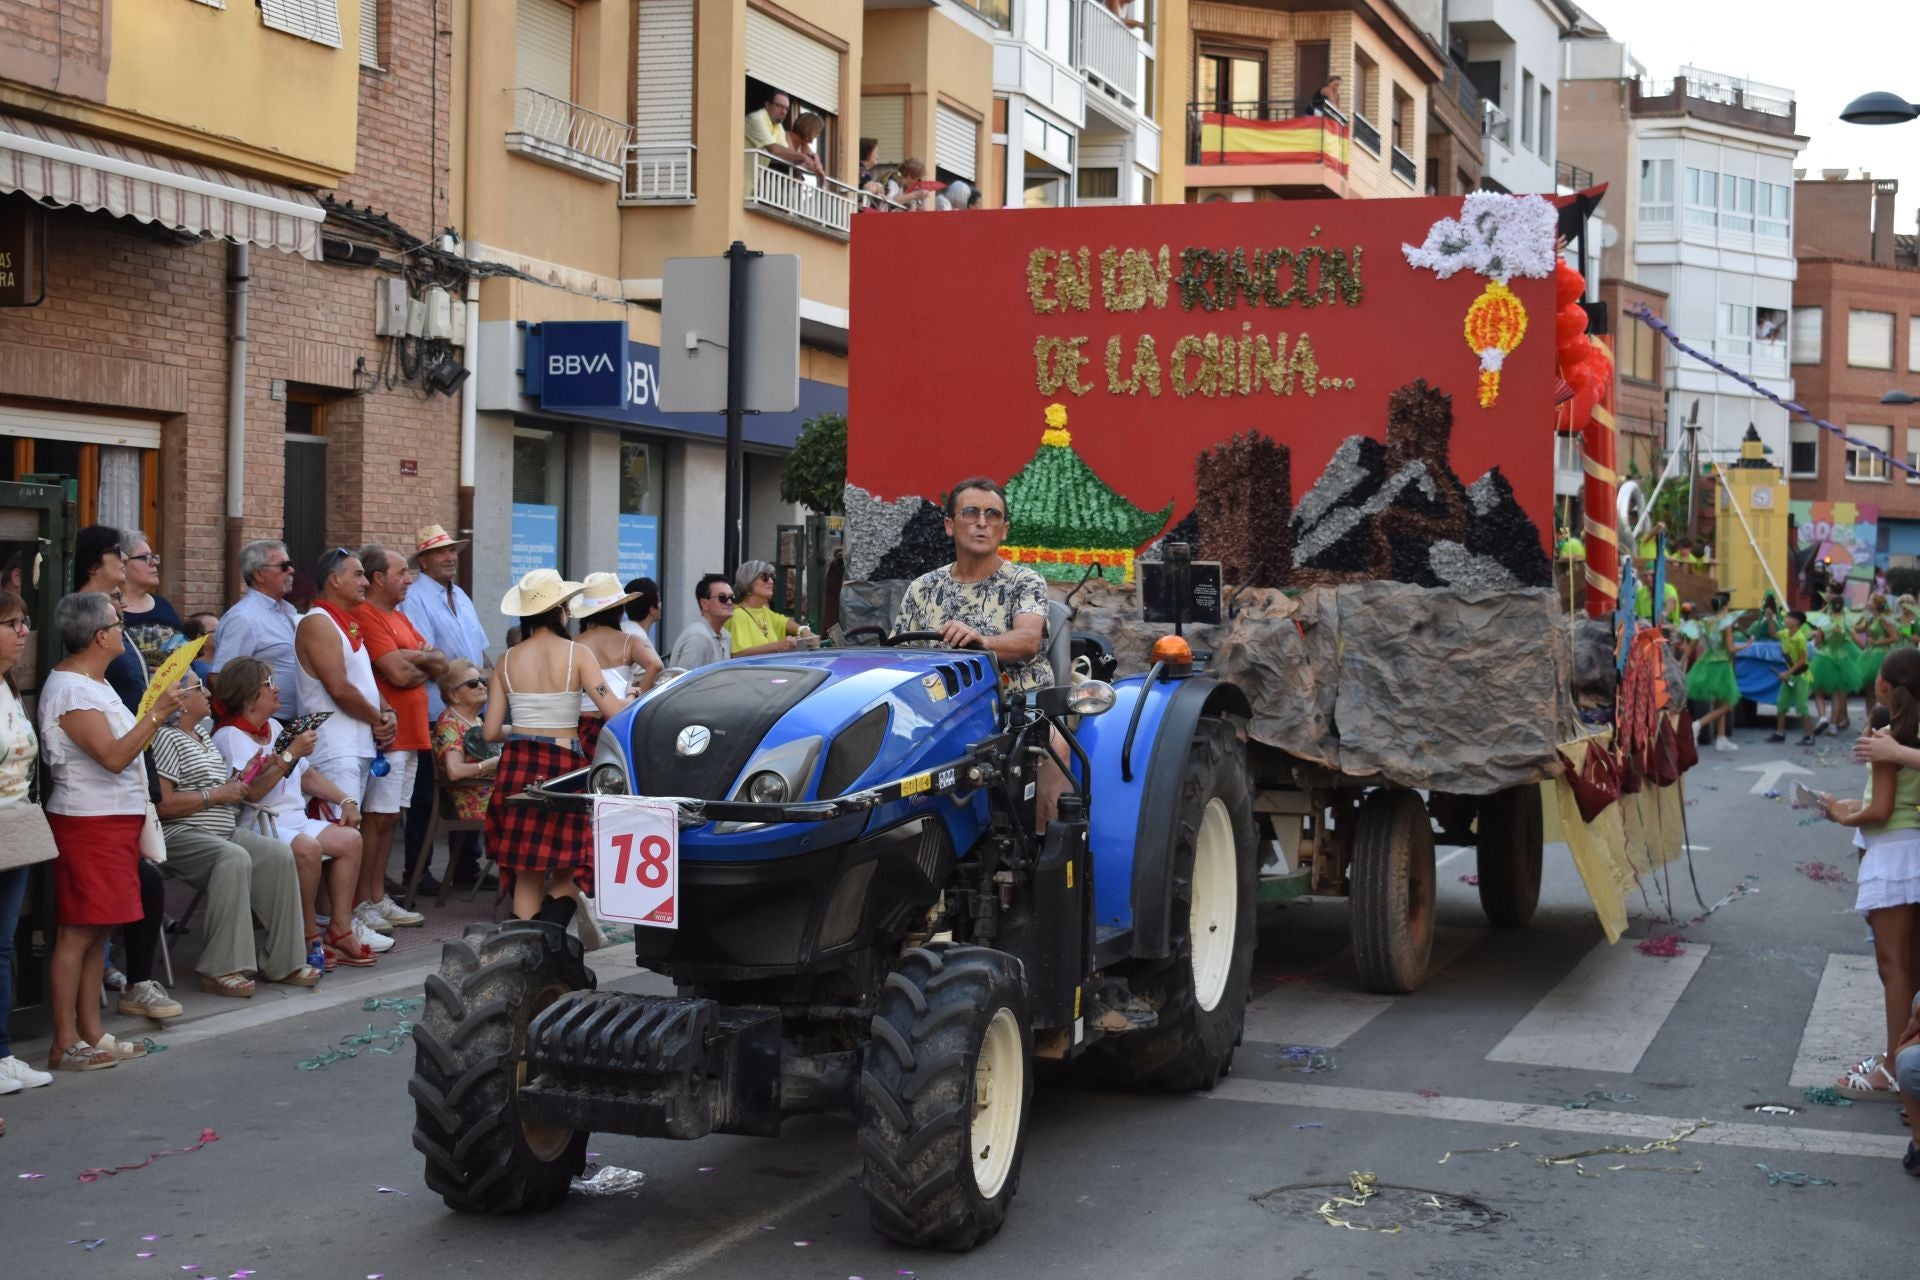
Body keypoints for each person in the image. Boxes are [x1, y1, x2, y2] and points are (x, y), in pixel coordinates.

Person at [39, 592, 184, 1071]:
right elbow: (115, 756)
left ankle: (91, 1030)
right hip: (88, 821)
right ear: (100, 635)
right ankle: (65, 1039)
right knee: (77, 932)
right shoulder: (71, 689)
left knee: (98, 930)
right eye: (119, 622)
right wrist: (158, 714)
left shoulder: (93, 684)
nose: (124, 629)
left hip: (113, 819)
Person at [894, 477, 1062, 823]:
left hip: (1016, 704)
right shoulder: (922, 589)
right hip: (936, 711)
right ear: (949, 525)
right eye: (971, 513)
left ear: (1004, 530)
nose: (982, 522)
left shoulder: (1025, 582)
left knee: (1053, 746)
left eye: (993, 515)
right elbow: (899, 656)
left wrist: (983, 642)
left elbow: (1028, 639)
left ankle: (1045, 849)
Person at [150, 674, 319, 995]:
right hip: (183, 832)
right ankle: (220, 968)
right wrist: (214, 795)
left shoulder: (202, 734)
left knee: (278, 854)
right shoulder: (167, 738)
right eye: (199, 687)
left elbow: (221, 787)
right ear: (180, 700)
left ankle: (285, 960)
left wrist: (245, 775)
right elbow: (164, 804)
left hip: (220, 828)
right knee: (233, 858)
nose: (208, 692)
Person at [484, 570, 628, 923]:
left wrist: (524, 728)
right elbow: (611, 711)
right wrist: (637, 699)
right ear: (562, 610)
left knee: (527, 869)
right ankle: (549, 934)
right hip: (561, 766)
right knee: (577, 859)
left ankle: (525, 953)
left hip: (516, 765)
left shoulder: (506, 660)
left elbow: (489, 732)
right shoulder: (577, 654)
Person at [210, 656, 371, 970]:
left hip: (292, 821)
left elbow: (308, 776)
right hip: (258, 824)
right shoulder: (229, 736)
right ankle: (307, 934)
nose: (277, 689)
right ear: (248, 694)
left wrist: (347, 800)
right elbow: (251, 793)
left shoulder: (273, 726)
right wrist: (290, 753)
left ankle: (339, 929)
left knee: (350, 839)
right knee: (307, 847)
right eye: (269, 684)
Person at [1820, 647, 1920, 1108]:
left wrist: (1843, 817)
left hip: (1894, 855)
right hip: (1912, 849)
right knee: (1910, 963)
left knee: (1893, 965)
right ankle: (1901, 1057)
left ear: (1885, 685)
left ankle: (1895, 1066)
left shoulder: (1890, 737)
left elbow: (1879, 811)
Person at [293, 548, 397, 958]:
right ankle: (336, 921)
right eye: (356, 574)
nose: (365, 582)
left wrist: (383, 713)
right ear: (333, 580)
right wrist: (377, 717)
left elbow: (362, 682)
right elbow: (337, 688)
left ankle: (340, 918)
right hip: (334, 746)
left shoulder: (343, 622)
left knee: (348, 834)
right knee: (339, 835)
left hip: (354, 744)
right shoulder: (317, 622)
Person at [351, 545, 441, 930]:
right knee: (376, 819)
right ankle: (363, 901)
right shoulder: (365, 615)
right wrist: (416, 659)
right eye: (402, 572)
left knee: (391, 820)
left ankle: (377, 897)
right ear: (377, 579)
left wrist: (413, 657)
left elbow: (441, 661)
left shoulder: (400, 616)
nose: (409, 579)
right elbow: (398, 674)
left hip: (413, 733)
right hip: (390, 735)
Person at [400, 524, 490, 895]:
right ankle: (417, 873)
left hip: (470, 706)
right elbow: (427, 656)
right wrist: (457, 685)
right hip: (435, 708)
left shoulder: (462, 596)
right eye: (441, 552)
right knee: (426, 795)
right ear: (423, 560)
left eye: (453, 551)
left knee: (472, 783)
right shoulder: (416, 598)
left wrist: (492, 689)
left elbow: (481, 650)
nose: (451, 557)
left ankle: (466, 866)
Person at [0, 589, 56, 1105]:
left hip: (14, 831)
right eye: (13, 623)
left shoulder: (9, 685)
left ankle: (1, 1053)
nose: (23, 632)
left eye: (24, 621)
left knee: (4, 945)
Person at [219, 539, 303, 718]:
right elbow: (221, 677)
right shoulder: (243, 617)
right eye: (283, 566)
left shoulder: (288, 611)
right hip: (266, 723)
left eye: (291, 564)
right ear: (258, 575)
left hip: (290, 721)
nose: (291, 570)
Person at [569, 573, 649, 756]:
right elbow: (656, 665)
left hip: (581, 722)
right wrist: (636, 694)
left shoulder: (574, 644)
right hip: (618, 720)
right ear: (619, 610)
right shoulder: (630, 641)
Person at [72, 525, 145, 712]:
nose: (126, 557)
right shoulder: (79, 619)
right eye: (117, 551)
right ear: (93, 566)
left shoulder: (110, 612)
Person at [432, 659, 498, 826]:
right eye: (472, 683)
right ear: (453, 695)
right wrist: (489, 765)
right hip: (474, 799)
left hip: (490, 790)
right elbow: (454, 771)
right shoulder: (450, 724)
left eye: (483, 681)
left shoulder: (475, 720)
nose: (482, 686)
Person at [119, 530, 184, 671]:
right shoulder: (111, 609)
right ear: (123, 562)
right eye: (145, 558)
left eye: (153, 557)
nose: (154, 563)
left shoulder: (163, 606)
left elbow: (184, 655)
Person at [1686, 614, 1745, 750]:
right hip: (1722, 665)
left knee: (1721, 702)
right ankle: (1698, 724)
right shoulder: (1726, 623)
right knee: (1727, 705)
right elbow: (1730, 648)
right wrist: (1747, 644)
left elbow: (1692, 645)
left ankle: (1721, 738)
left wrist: (1682, 660)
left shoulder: (1704, 623)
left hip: (1705, 662)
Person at [726, 560, 802, 657]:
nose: (771, 582)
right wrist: (776, 647)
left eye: (772, 577)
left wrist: (804, 631)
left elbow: (783, 622)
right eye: (765, 577)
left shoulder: (763, 611)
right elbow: (737, 655)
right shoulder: (737, 616)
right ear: (748, 582)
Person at [744, 88, 823, 177]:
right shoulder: (757, 119)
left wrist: (815, 162)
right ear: (767, 105)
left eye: (786, 108)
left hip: (751, 182)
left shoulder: (778, 127)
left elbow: (787, 154)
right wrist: (803, 157)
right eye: (779, 106)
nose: (783, 112)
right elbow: (775, 150)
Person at [1769, 609, 1816, 746]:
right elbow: (1772, 633)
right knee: (1782, 704)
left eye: (1789, 617)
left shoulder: (1800, 638)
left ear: (1796, 622)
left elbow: (1802, 660)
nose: (1786, 619)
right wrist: (1770, 618)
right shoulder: (1785, 633)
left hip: (1801, 675)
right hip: (1790, 674)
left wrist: (1787, 673)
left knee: (1802, 707)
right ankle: (1780, 733)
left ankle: (1809, 736)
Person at [668, 574, 736, 670]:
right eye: (722, 598)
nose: (729, 602)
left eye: (732, 597)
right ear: (704, 604)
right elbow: (687, 682)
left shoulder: (726, 635)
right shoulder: (698, 637)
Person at [619, 576, 664, 688]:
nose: (661, 604)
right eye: (658, 599)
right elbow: (655, 667)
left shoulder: (622, 628)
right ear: (652, 609)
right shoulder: (639, 637)